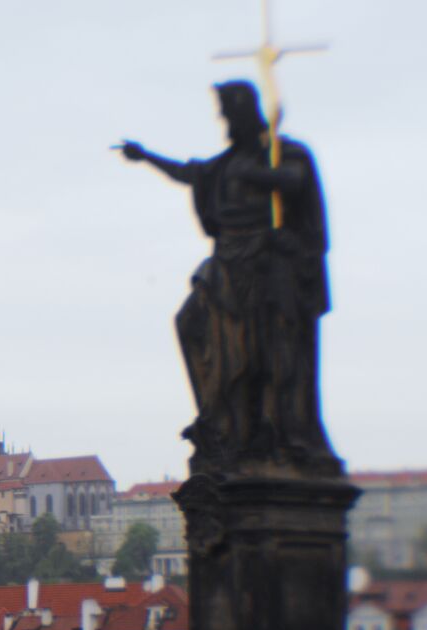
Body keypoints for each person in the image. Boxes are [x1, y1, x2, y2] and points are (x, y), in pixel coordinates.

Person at [119, 80, 339, 479]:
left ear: (242, 112)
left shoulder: (283, 153)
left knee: (266, 355)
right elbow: (189, 173)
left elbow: (295, 181)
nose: (221, 119)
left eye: (225, 111)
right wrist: (146, 156)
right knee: (189, 324)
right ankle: (219, 419)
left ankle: (270, 435)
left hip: (267, 266)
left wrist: (257, 173)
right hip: (227, 264)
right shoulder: (225, 163)